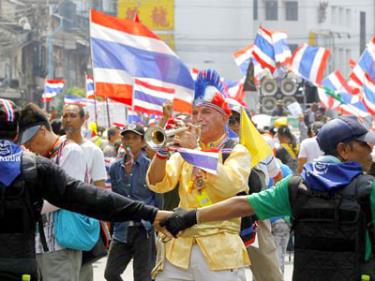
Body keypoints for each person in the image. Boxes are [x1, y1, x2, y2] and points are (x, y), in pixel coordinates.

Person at [161, 116, 375, 281]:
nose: (370, 150)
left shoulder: (295, 186)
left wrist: (190, 217)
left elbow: (242, 204)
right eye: (365, 145)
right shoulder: (369, 189)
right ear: (344, 150)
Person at [0, 99, 171, 281]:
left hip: (56, 246)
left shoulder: (51, 159)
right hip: (27, 259)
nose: (28, 146)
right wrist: (151, 213)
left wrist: (151, 214)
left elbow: (91, 195)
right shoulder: (32, 164)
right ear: (16, 133)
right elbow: (90, 197)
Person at [147, 69, 251, 281]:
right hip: (178, 250)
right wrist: (163, 151)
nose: (198, 118)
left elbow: (229, 185)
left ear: (224, 117)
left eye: (206, 112)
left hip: (221, 252)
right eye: (195, 113)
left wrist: (195, 151)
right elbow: (157, 184)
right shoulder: (184, 152)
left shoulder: (237, 151)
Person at [104, 123, 162, 281]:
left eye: (135, 138)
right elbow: (114, 196)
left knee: (143, 277)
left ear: (143, 142)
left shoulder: (150, 166)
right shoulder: (115, 167)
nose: (130, 142)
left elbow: (158, 199)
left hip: (144, 229)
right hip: (122, 229)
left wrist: (156, 224)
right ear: (122, 141)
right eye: (126, 138)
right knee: (110, 273)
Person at [61, 104, 108, 281]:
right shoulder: (56, 145)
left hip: (81, 220)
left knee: (82, 272)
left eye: (72, 115)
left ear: (83, 119)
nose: (67, 120)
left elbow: (100, 188)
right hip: (56, 220)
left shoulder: (93, 151)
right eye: (64, 116)